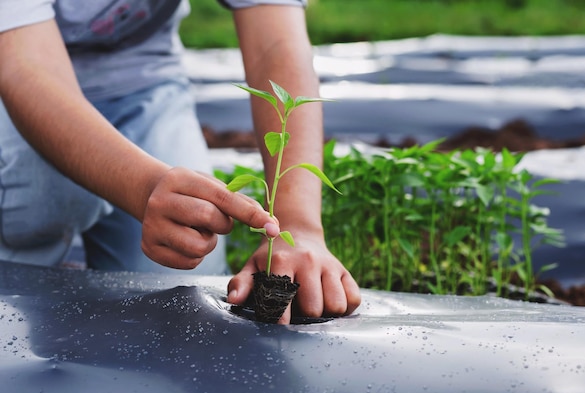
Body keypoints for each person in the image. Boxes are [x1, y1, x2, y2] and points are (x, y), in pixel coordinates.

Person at [0, 0, 361, 324]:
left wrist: (297, 224)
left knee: (182, 277)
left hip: (141, 77)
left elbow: (276, 42)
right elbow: (25, 65)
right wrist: (144, 187)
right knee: (49, 198)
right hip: (13, 76)